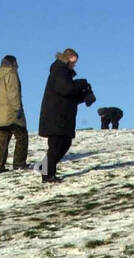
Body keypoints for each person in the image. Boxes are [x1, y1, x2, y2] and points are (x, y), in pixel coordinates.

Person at [38, 48, 93, 183]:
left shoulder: (63, 72)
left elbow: (68, 94)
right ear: (70, 58)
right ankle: (47, 175)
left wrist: (84, 95)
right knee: (56, 145)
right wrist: (80, 84)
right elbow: (66, 89)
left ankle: (44, 168)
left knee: (64, 143)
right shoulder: (59, 70)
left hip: (62, 116)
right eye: (74, 61)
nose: (75, 65)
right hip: (56, 116)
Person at [0, 55, 29, 173]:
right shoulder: (11, 74)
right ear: (12, 63)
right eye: (16, 63)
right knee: (22, 136)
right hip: (10, 112)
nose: (18, 65)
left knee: (2, 138)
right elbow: (13, 94)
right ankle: (19, 163)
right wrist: (18, 109)